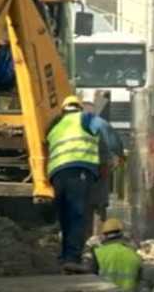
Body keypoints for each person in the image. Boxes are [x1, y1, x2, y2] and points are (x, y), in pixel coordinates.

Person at [45, 95, 102, 274]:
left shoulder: (55, 126)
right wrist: (119, 152)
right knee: (77, 216)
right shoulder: (86, 119)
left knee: (65, 216)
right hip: (79, 170)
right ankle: (72, 258)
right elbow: (106, 130)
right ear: (79, 108)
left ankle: (64, 256)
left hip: (57, 174)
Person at [81, 101, 125, 236]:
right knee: (98, 205)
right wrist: (119, 157)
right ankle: (98, 237)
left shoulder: (67, 124)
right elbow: (114, 143)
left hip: (75, 170)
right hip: (97, 168)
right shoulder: (99, 123)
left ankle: (82, 239)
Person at [90, 218, 145, 291]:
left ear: (105, 235)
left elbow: (90, 279)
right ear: (122, 234)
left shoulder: (98, 253)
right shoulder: (135, 255)